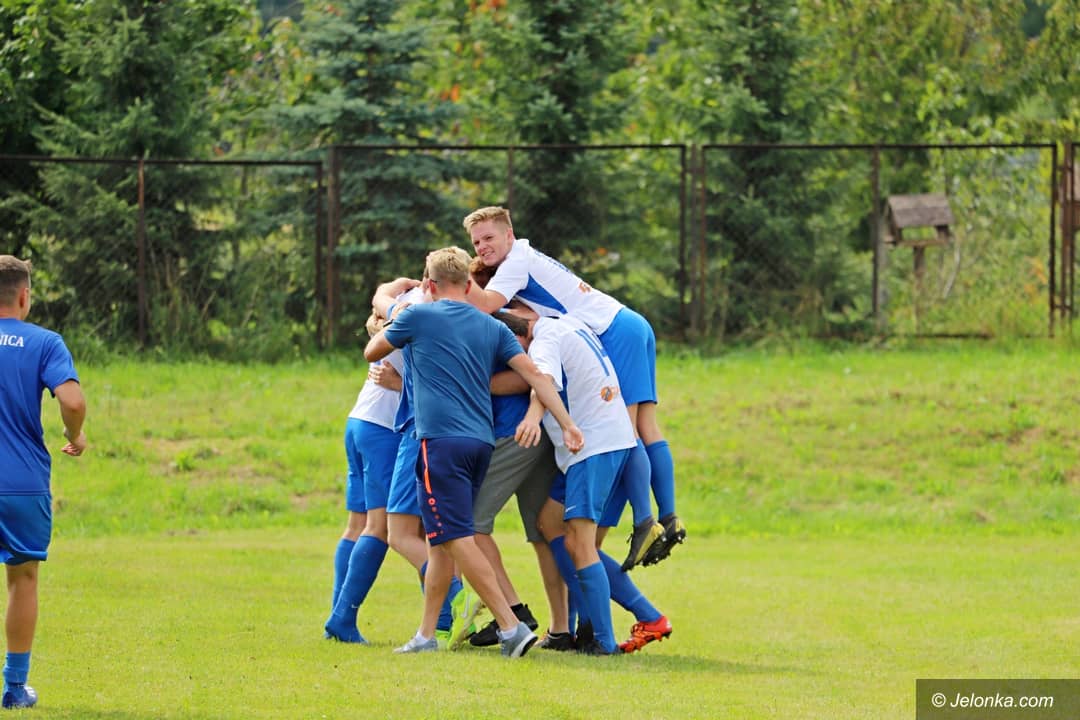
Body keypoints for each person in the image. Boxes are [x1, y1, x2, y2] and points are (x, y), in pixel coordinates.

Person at [364, 247, 584, 658]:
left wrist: (398, 313)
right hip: (480, 444)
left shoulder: (418, 316)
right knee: (439, 541)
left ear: (430, 285)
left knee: (456, 536)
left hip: (440, 442)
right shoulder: (491, 327)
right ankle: (426, 635)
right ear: (469, 284)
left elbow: (372, 352)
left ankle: (511, 626)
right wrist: (568, 424)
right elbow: (535, 375)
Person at [463, 206, 684, 569]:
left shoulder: (516, 261)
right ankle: (669, 517)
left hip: (614, 330)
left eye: (489, 238)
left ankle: (646, 522)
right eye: (476, 243)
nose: (482, 246)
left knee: (626, 432)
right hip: (627, 323)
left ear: (509, 234)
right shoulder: (524, 257)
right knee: (646, 427)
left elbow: (487, 304)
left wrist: (451, 279)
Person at [495, 310, 667, 655]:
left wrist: (532, 418)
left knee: (580, 544)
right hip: (602, 442)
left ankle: (606, 639)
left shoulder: (543, 341)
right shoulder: (565, 323)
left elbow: (541, 380)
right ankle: (613, 622)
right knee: (550, 523)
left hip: (592, 446)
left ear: (519, 337)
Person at [0, 256, 88, 709]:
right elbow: (72, 401)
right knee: (23, 579)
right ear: (24, 296)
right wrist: (75, 436)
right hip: (21, 482)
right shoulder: (45, 342)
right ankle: (15, 689)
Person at [322, 309, 406, 644]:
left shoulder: (401, 304)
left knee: (356, 525)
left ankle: (337, 616)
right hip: (383, 429)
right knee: (379, 528)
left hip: (358, 421)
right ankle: (342, 619)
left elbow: (381, 297)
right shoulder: (426, 313)